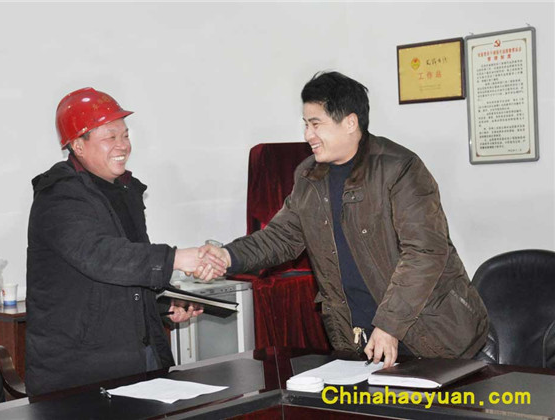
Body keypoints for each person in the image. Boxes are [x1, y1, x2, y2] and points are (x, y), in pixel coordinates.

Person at [200, 71, 489, 368]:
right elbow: (280, 237)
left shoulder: (400, 169)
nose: (308, 135)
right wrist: (228, 255)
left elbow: (425, 253)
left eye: (316, 124)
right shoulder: (309, 176)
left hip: (429, 335)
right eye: (306, 124)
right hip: (358, 339)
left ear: (350, 122)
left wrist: (389, 325)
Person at [25, 87, 225, 396]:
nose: (123, 145)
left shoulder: (124, 191)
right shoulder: (59, 196)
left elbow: (126, 276)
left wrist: (163, 306)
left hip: (138, 358)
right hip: (79, 373)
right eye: (110, 137)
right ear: (78, 145)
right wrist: (176, 258)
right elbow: (102, 257)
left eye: (125, 135)